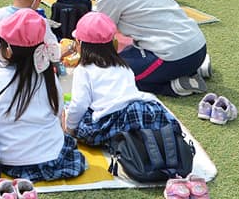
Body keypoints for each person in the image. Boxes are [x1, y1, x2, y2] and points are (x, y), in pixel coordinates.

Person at [66, 0, 209, 97]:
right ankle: (195, 69)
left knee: (114, 74)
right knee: (126, 53)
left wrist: (77, 48)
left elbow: (99, 35)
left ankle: (176, 86)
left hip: (175, 54)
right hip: (198, 46)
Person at [0, 9, 86, 181]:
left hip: (9, 159)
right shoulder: (49, 78)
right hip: (51, 156)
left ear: (8, 50)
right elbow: (58, 111)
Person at [65, 12, 180, 146]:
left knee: (82, 126)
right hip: (142, 109)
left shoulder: (84, 69)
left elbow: (79, 104)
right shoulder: (123, 66)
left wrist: (70, 128)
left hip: (113, 119)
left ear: (81, 44)